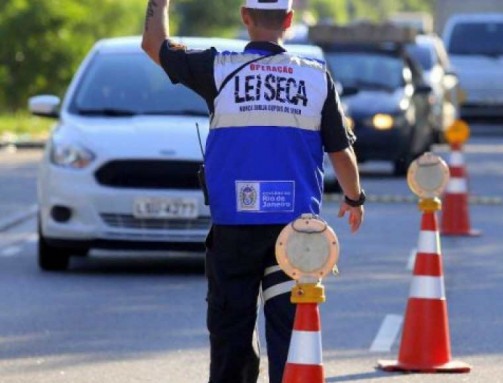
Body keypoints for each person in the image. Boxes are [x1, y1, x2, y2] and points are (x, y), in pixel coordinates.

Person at [141, 1, 365, 382]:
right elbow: (340, 152)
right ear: (289, 20)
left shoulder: (217, 68)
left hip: (234, 229)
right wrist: (353, 198)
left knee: (232, 336)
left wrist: (159, 3)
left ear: (245, 17)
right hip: (296, 235)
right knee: (291, 339)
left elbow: (154, 44)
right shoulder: (315, 78)